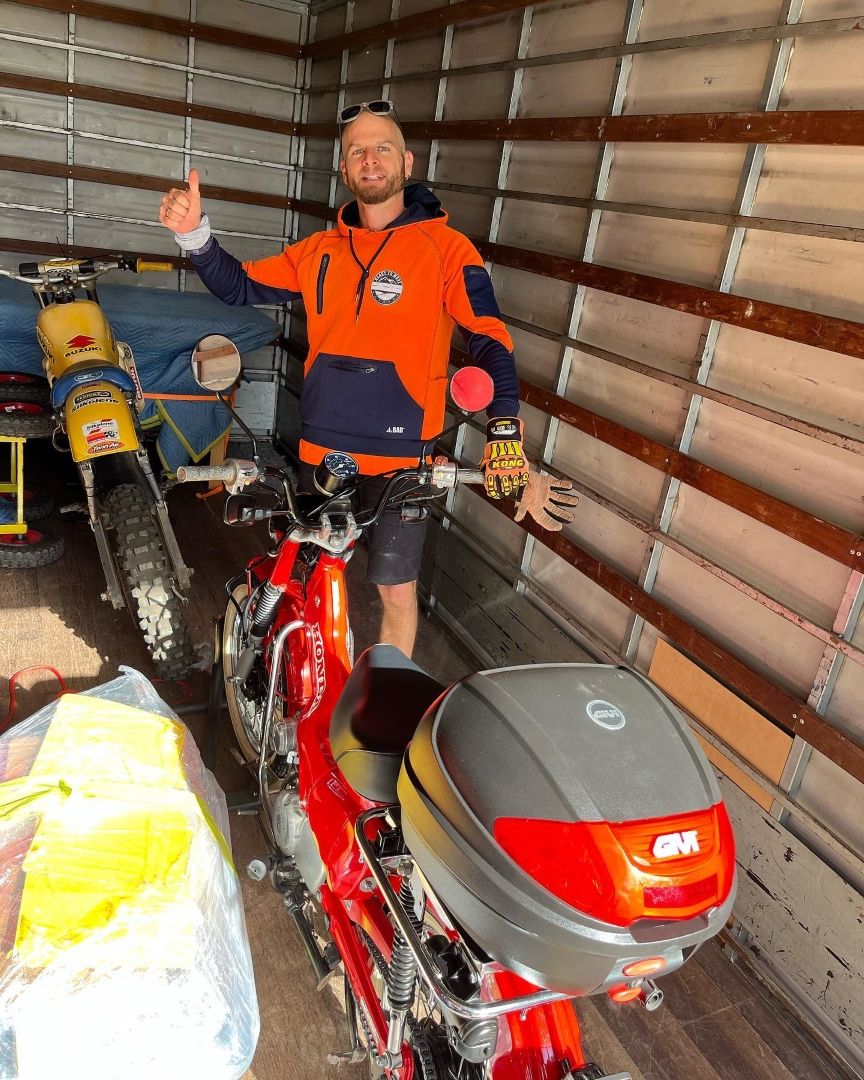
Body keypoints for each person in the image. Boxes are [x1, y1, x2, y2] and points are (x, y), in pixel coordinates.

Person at [159, 99, 529, 657]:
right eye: (357, 150)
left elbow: (488, 337)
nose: (370, 158)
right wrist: (195, 238)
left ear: (407, 164)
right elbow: (239, 287)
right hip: (322, 451)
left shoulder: (447, 250)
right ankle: (297, 684)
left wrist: (504, 429)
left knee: (396, 593)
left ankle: (379, 715)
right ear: (345, 169)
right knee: (309, 573)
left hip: (404, 460)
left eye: (382, 147)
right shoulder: (319, 251)